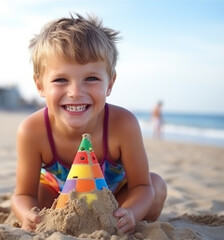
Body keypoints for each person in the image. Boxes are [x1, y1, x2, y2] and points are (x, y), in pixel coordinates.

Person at [11, 13, 167, 235]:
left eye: (91, 78)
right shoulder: (32, 130)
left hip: (112, 199)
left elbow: (142, 186)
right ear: (40, 85)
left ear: (109, 83)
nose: (75, 92)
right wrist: (27, 214)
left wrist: (131, 213)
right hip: (55, 198)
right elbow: (22, 195)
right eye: (60, 80)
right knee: (36, 197)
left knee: (157, 186)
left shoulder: (123, 125)